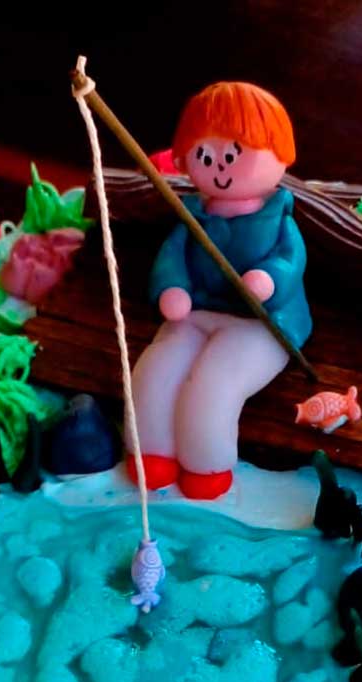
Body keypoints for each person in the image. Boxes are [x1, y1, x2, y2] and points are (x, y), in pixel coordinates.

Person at [126, 81, 312, 499]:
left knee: (213, 383)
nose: (220, 168)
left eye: (233, 154)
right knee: (156, 370)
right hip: (195, 314)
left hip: (260, 323)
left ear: (280, 152)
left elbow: (290, 259)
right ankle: (151, 452)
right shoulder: (192, 216)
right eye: (205, 156)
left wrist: (268, 279)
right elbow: (172, 258)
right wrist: (171, 288)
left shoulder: (277, 217)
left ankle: (206, 465)